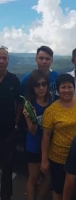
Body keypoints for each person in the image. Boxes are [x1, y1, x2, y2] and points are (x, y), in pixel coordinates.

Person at [40, 74, 76, 200]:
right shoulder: (51, 110)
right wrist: (44, 160)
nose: (66, 90)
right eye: (63, 87)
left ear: (74, 88)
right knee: (58, 188)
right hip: (58, 157)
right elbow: (46, 136)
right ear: (57, 89)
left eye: (69, 87)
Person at [23, 69, 52, 200]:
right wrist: (32, 118)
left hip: (50, 146)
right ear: (32, 87)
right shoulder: (29, 104)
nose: (41, 88)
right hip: (34, 147)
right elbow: (32, 131)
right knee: (33, 178)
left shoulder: (51, 100)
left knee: (48, 177)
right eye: (37, 85)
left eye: (44, 84)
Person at [0, 45, 23, 200]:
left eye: (4, 58)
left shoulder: (13, 80)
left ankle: (5, 196)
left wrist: (16, 124)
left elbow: (20, 103)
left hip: (8, 132)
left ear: (8, 61)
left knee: (7, 167)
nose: (1, 61)